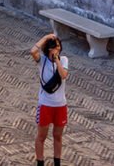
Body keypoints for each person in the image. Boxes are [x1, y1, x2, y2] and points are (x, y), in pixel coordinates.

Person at [30, 33, 69, 166]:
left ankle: (57, 162)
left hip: (60, 105)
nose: (56, 49)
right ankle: (40, 162)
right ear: (48, 49)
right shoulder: (42, 61)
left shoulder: (64, 60)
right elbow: (33, 51)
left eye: (58, 46)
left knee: (58, 136)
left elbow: (63, 75)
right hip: (45, 105)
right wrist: (46, 37)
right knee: (41, 137)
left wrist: (57, 60)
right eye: (53, 47)